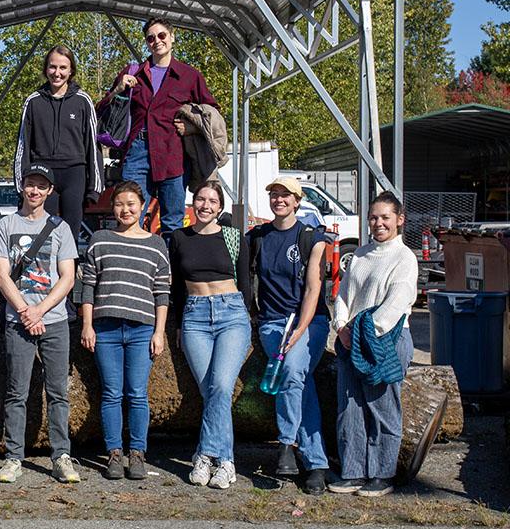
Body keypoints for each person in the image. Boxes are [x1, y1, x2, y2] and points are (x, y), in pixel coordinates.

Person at [0, 164, 80, 485]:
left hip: (53, 320)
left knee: (58, 392)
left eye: (42, 186)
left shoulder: (60, 228)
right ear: (22, 187)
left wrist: (39, 310)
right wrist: (26, 310)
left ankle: (61, 455)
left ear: (50, 191)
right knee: (17, 392)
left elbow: (67, 277)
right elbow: (1, 274)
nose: (35, 191)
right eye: (30, 184)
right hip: (18, 320)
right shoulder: (6, 225)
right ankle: (14, 457)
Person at [78, 180, 170, 481]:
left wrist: (159, 332)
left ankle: (138, 453)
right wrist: (88, 325)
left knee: (137, 393)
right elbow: (88, 286)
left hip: (142, 329)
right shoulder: (100, 240)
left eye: (131, 203)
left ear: (142, 206)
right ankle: (114, 453)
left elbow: (162, 292)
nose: (125, 209)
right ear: (112, 207)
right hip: (105, 329)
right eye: (120, 204)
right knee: (111, 393)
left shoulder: (156, 244)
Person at [328, 191, 417, 499]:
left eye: (385, 217)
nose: (378, 223)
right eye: (373, 217)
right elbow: (343, 296)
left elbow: (397, 303)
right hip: (351, 338)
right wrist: (341, 326)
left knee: (382, 407)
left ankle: (381, 472)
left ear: (399, 220)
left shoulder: (404, 258)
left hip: (385, 341)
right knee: (350, 406)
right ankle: (353, 470)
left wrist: (366, 332)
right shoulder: (361, 255)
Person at [247, 176, 332, 495]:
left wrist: (298, 332)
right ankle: (316, 464)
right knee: (299, 380)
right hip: (271, 323)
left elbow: (313, 290)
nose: (279, 199)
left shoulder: (312, 237)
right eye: (274, 194)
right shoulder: (259, 237)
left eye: (286, 195)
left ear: (297, 201)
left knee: (294, 372)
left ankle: (286, 443)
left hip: (310, 322)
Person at [168, 180, 251, 489]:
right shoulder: (179, 237)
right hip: (194, 317)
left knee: (220, 386)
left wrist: (248, 325)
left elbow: (246, 284)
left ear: (220, 207)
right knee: (211, 393)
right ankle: (223, 461)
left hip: (231, 315)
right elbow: (176, 286)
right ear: (193, 202)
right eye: (200, 199)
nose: (205, 205)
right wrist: (177, 324)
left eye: (212, 201)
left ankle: (208, 456)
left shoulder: (233, 236)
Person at [110, 18, 219, 236]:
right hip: (137, 151)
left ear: (172, 38)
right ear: (146, 43)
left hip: (173, 153)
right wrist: (118, 89)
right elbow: (104, 109)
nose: (156, 41)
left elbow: (212, 112)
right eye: (151, 38)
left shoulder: (190, 76)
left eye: (161, 36)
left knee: (172, 220)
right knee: (130, 215)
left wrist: (192, 128)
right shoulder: (133, 73)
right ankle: (133, 267)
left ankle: (170, 270)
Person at [13, 45, 103, 243]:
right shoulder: (33, 101)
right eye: (52, 67)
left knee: (71, 234)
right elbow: (22, 145)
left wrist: (95, 187)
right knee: (44, 235)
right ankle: (43, 273)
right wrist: (20, 184)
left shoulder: (83, 100)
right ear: (46, 69)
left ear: (71, 71)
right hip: (43, 174)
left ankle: (70, 272)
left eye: (63, 68)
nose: (57, 73)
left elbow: (92, 145)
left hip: (74, 173)